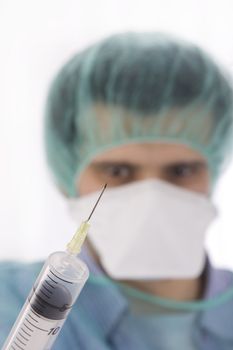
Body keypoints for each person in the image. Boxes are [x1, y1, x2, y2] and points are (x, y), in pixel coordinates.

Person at [1, 32, 233, 349]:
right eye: (117, 171)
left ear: (214, 169)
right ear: (65, 172)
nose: (152, 197)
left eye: (181, 170)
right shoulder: (8, 304)